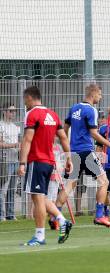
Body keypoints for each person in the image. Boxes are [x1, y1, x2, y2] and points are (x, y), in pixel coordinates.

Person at [54, 84, 110, 228]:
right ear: (94, 94)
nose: (101, 97)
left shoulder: (73, 108)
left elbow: (63, 131)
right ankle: (99, 216)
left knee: (70, 184)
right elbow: (93, 133)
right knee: (104, 181)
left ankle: (55, 216)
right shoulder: (91, 110)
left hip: (74, 152)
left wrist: (67, 151)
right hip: (86, 152)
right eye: (100, 94)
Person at [17, 86, 73, 245]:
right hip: (49, 162)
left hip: (36, 161)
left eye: (25, 100)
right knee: (41, 197)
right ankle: (63, 221)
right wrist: (68, 158)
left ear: (29, 98)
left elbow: (27, 139)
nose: (25, 104)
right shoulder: (53, 114)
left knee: (37, 200)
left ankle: (40, 236)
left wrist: (22, 162)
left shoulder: (32, 114)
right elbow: (63, 137)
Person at [0, 104, 20, 221]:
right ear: (4, 111)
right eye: (11, 111)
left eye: (14, 111)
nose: (13, 113)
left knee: (12, 189)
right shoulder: (1, 125)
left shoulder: (15, 127)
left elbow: (19, 143)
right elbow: (0, 143)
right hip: (4, 161)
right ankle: (1, 215)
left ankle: (10, 214)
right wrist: (13, 145)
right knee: (3, 189)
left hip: (15, 160)